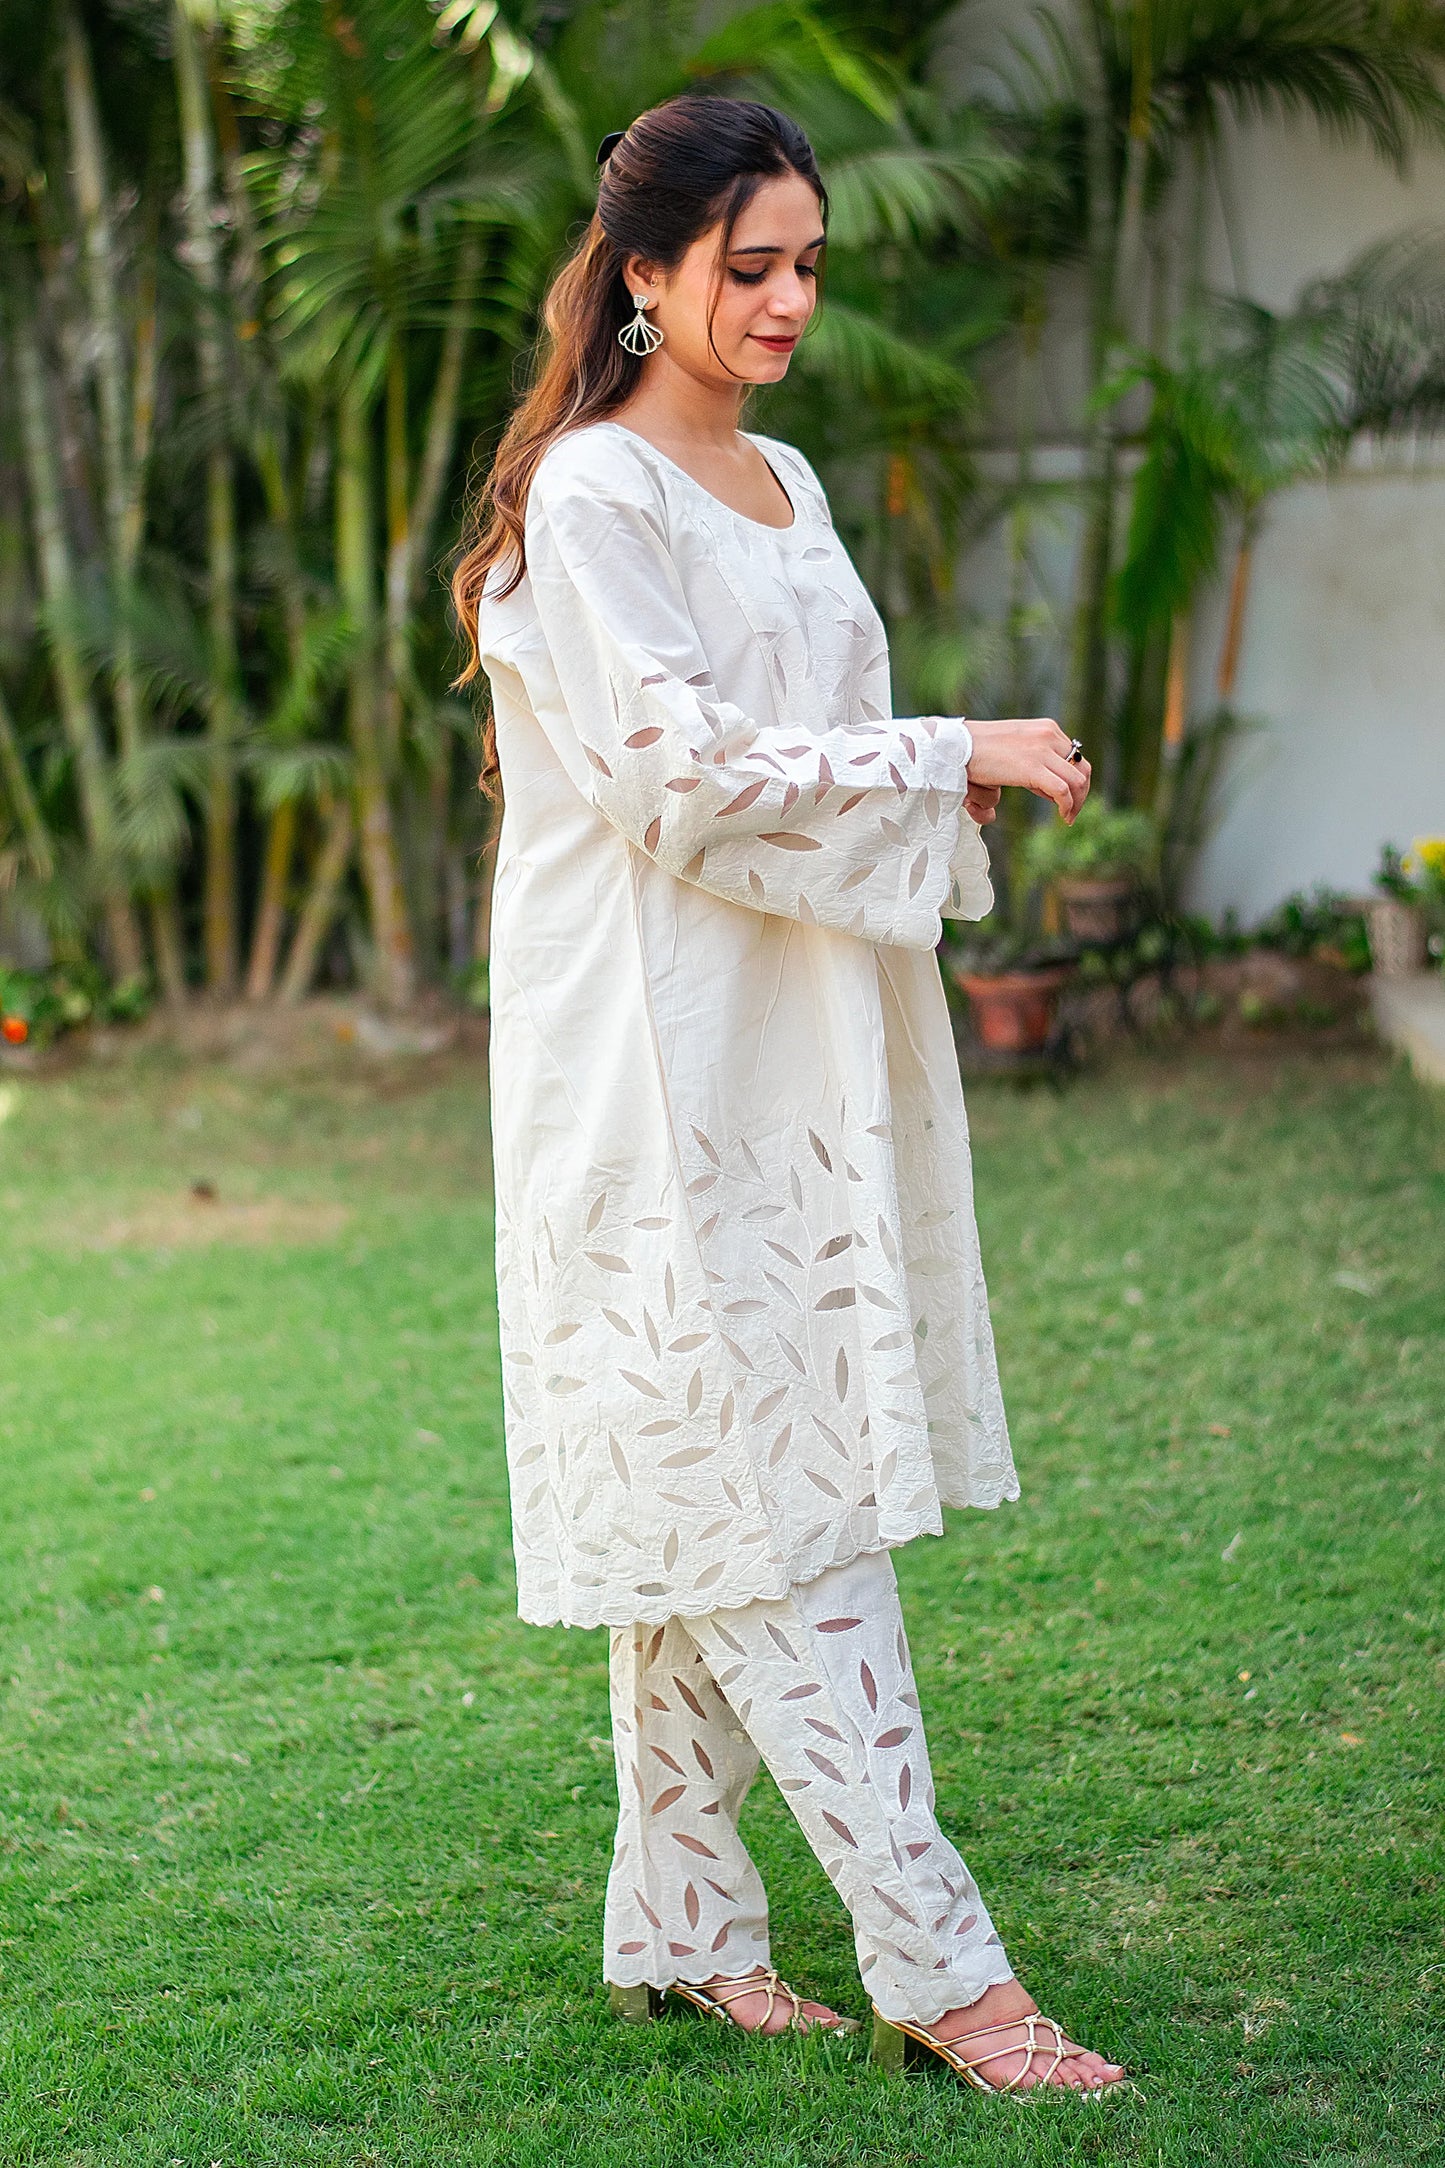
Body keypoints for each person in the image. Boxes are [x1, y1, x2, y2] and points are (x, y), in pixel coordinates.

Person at [452, 94, 1124, 2097]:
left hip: (803, 1042)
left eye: (808, 266)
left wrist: (926, 770)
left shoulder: (787, 478)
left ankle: (683, 1928)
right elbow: (688, 776)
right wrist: (959, 752)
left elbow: (791, 741)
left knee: (716, 1489)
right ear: (644, 273)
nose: (788, 301)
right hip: (651, 1070)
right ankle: (948, 1972)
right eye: (749, 266)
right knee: (772, 1496)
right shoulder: (592, 502)